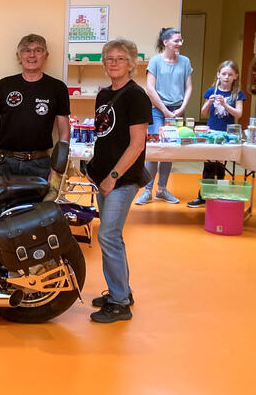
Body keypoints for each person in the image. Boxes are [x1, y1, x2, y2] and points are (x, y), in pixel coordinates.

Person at [86, 39, 152, 323]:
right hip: (102, 177)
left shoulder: (136, 96)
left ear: (131, 64)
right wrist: (94, 170)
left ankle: (119, 302)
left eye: (120, 59)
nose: (113, 63)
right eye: (109, 58)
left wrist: (113, 177)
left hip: (122, 179)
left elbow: (137, 144)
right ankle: (121, 291)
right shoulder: (103, 95)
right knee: (113, 236)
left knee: (108, 236)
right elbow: (105, 136)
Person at [0, 34, 70, 180]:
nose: (32, 55)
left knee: (40, 204)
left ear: (46, 56)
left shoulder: (57, 88)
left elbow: (64, 131)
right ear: (18, 57)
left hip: (40, 164)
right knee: (4, 204)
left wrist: (56, 169)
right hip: (5, 163)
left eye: (38, 50)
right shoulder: (4, 85)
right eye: (26, 50)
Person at [137, 27, 192, 205]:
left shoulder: (185, 61)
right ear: (165, 42)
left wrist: (181, 108)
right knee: (155, 150)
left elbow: (188, 87)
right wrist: (165, 111)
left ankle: (162, 189)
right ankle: (147, 190)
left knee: (169, 151)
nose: (180, 44)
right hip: (157, 110)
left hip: (177, 109)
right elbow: (150, 89)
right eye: (176, 40)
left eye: (181, 40)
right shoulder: (155, 62)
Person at [187, 61, 245, 208]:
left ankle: (218, 195)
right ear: (218, 74)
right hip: (211, 132)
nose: (226, 77)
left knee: (220, 167)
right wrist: (209, 102)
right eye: (224, 74)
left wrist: (225, 105)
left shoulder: (237, 94)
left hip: (227, 134)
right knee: (208, 166)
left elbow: (239, 113)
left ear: (235, 76)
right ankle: (203, 196)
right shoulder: (212, 90)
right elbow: (203, 112)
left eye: (230, 74)